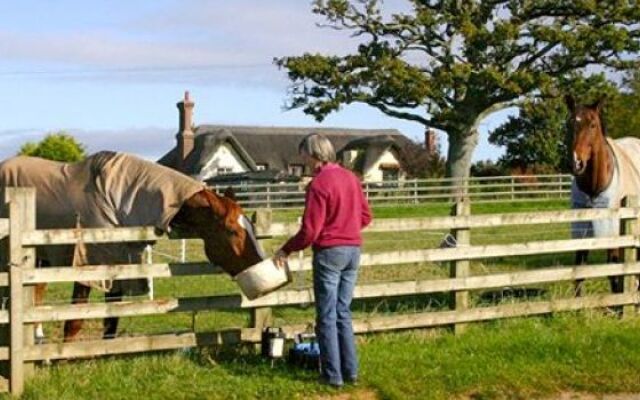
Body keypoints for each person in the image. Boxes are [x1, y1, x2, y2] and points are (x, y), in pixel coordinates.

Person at [274, 133, 372, 388]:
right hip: (353, 250)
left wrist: (285, 250)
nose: (302, 159)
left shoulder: (319, 184)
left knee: (327, 315)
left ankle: (332, 375)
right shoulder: (351, 178)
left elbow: (310, 231)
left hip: (330, 251)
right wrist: (347, 227)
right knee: (343, 312)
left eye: (303, 154)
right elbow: (366, 216)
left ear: (313, 154)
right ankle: (350, 371)